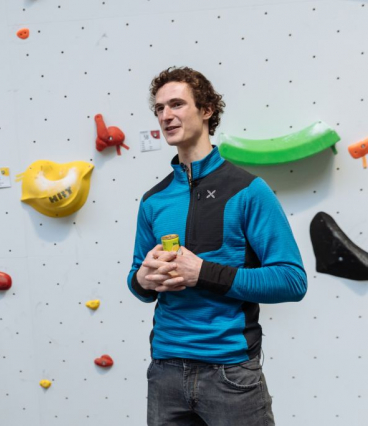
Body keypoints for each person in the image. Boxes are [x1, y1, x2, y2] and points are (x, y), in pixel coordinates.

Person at [127, 67, 307, 426]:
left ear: (206, 109)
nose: (166, 115)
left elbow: (291, 280)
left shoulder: (248, 190)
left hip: (230, 374)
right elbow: (137, 281)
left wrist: (204, 273)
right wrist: (143, 281)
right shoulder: (153, 201)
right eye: (159, 108)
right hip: (165, 372)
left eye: (176, 104)